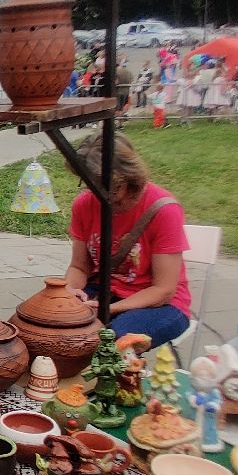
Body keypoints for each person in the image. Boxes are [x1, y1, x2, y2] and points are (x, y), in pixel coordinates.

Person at [63, 132, 191, 349]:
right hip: (102, 293)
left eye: (109, 187)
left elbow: (163, 290)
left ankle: (119, 380)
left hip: (159, 304)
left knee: (108, 345)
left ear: (127, 177)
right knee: (46, 324)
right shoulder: (85, 204)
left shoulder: (164, 210)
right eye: (91, 185)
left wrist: (108, 309)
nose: (100, 194)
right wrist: (68, 292)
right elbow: (79, 267)